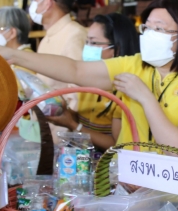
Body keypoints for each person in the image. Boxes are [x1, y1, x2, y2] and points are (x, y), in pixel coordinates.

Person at [0, 0, 178, 150]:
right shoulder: (135, 65)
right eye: (147, 27)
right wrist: (15, 56)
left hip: (172, 197)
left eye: (159, 29)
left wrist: (144, 97)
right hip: (126, 182)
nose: (149, 35)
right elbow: (75, 70)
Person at [45, 13, 140, 150]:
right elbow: (80, 121)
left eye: (94, 43)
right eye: (87, 42)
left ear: (116, 49)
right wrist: (63, 111)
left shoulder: (126, 90)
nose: (87, 48)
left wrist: (73, 125)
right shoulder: (87, 82)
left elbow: (116, 144)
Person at [27, 0, 87, 113]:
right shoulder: (48, 37)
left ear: (47, 1)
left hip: (61, 129)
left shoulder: (75, 36)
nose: (32, 5)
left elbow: (78, 96)